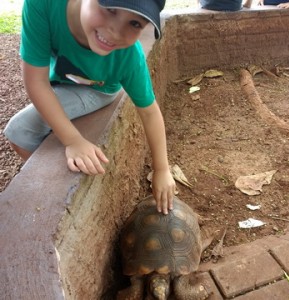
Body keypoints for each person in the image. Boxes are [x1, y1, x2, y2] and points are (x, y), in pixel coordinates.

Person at [4, 0, 176, 214]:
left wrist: (162, 169)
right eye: (110, 9)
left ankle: (57, 188)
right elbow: (36, 81)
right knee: (19, 133)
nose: (115, 31)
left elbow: (150, 112)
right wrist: (73, 140)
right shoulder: (43, 4)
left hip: (99, 90)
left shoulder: (128, 57)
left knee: (19, 131)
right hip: (58, 79)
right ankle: (52, 186)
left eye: (134, 23)